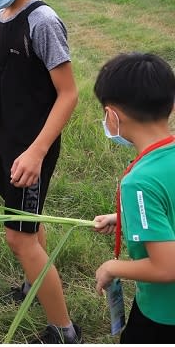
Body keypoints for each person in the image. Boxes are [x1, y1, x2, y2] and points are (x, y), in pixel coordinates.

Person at [0, 0, 80, 343]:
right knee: (28, 229)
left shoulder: (42, 22)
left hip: (36, 145)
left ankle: (64, 330)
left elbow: (69, 94)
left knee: (18, 236)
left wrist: (36, 151)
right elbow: (2, 79)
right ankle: (37, 283)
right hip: (11, 140)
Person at [92, 52, 175, 343]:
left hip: (164, 314)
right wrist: (124, 217)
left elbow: (167, 266)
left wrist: (112, 267)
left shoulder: (139, 182)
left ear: (112, 115)